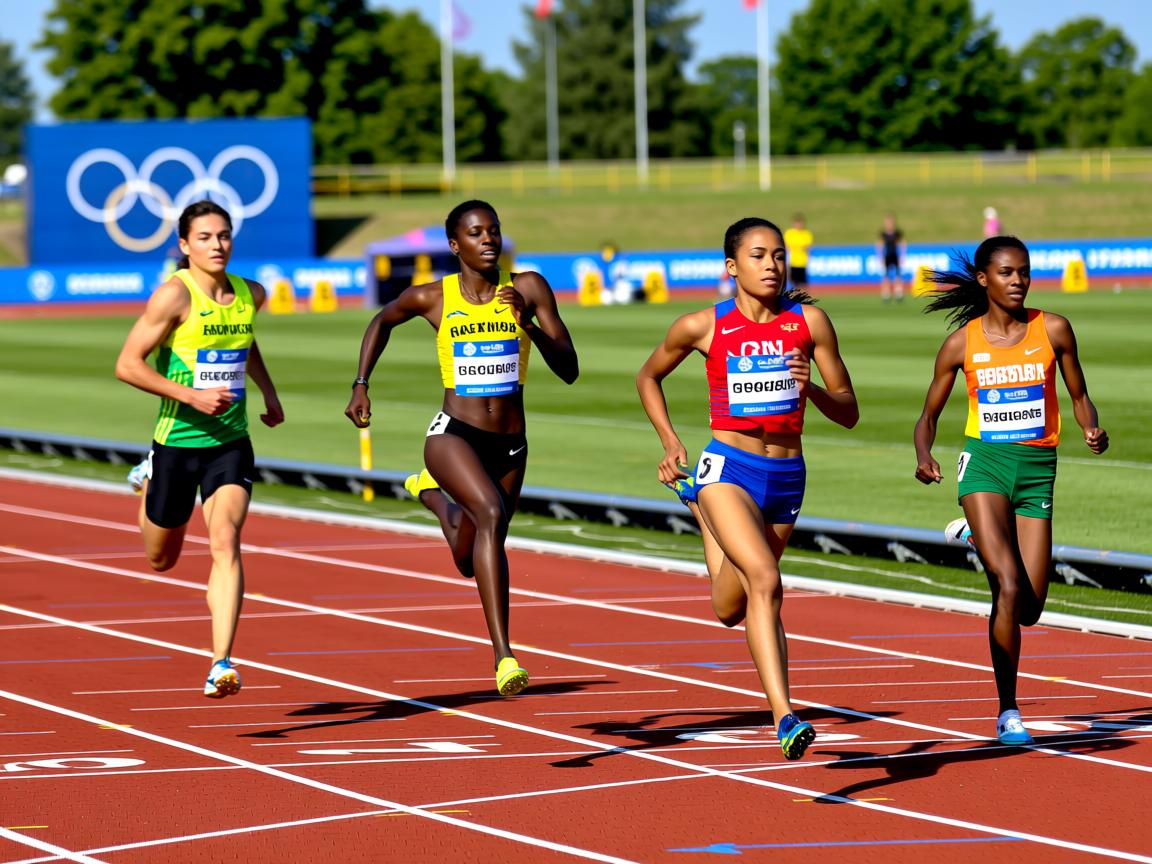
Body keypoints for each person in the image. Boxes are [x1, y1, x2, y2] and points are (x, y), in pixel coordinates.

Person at [636, 217, 859, 760]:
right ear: (732, 267)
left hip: (786, 476)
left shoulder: (810, 323)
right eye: (759, 256)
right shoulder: (702, 326)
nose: (772, 265)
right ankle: (785, 715)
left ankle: (698, 510)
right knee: (766, 578)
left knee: (731, 606)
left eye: (779, 255)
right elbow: (648, 377)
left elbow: (849, 410)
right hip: (728, 468)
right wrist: (670, 441)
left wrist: (816, 392)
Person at [345, 200, 579, 697]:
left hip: (511, 445)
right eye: (476, 233)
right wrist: (361, 383)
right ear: (456, 245)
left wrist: (530, 326)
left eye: (494, 230)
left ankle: (432, 497)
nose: (488, 239)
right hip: (454, 435)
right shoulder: (432, 297)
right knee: (491, 515)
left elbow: (569, 368)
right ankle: (505, 656)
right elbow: (381, 322)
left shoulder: (529, 288)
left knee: (468, 556)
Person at [913, 235, 1108, 746]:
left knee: (1031, 607)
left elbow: (1080, 395)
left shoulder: (1055, 329)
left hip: (1038, 470)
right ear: (984, 279)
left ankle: (978, 539)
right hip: (985, 468)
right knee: (1007, 583)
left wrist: (1092, 427)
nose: (1018, 280)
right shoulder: (962, 344)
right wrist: (924, 455)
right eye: (1006, 273)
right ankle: (1008, 711)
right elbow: (928, 415)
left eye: (1024, 271)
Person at [115, 200, 284, 698]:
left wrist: (269, 391)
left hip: (229, 443)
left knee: (225, 541)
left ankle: (221, 662)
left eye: (224, 235)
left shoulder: (252, 293)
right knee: (160, 559)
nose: (218, 245)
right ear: (185, 246)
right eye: (206, 237)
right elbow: (128, 364)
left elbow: (242, 343)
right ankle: (147, 479)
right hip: (177, 443)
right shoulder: (173, 297)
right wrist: (191, 396)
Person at [877, 213, 906, 302]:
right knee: (885, 277)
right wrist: (880, 256)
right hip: (887, 256)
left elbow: (902, 244)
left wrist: (902, 255)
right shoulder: (883, 234)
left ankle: (898, 294)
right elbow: (879, 245)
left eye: (890, 222)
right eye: (887, 222)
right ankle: (886, 295)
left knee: (898, 276)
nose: (889, 224)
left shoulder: (897, 233)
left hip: (895, 256)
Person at [783, 213, 813, 291]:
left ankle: (803, 299)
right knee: (794, 282)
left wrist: (800, 247)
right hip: (792, 261)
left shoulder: (806, 234)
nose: (798, 225)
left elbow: (808, 247)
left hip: (802, 261)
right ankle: (796, 298)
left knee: (803, 283)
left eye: (800, 223)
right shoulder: (789, 233)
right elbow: (786, 246)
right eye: (797, 223)